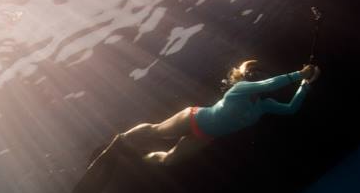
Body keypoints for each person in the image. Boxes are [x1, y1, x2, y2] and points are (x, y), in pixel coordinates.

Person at [99, 60, 321, 167]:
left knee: (168, 161)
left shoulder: (264, 105)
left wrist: (305, 84)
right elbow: (270, 84)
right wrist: (299, 73)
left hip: (205, 136)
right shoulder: (239, 89)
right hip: (193, 118)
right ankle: (123, 139)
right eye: (250, 72)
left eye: (258, 71)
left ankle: (137, 159)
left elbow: (290, 109)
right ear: (241, 77)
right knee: (157, 132)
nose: (255, 74)